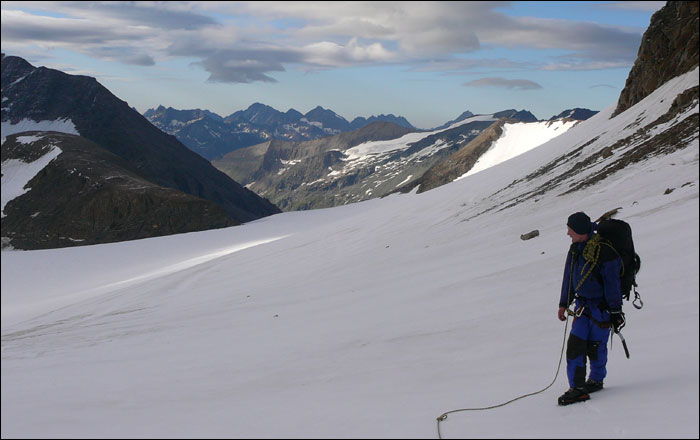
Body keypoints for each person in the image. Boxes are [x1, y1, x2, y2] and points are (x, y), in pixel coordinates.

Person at [557, 212, 626, 405]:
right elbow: (569, 277)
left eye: (570, 230)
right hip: (582, 307)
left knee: (596, 347)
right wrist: (564, 303)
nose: (568, 234)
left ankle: (596, 380)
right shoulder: (575, 250)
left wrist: (615, 311)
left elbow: (612, 284)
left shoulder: (605, 252)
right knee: (575, 345)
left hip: (601, 310)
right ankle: (577, 387)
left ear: (580, 230)